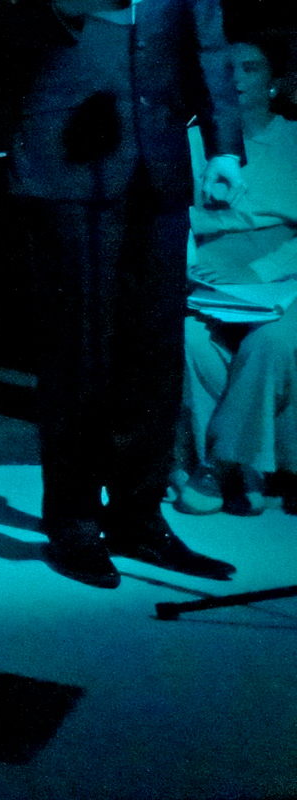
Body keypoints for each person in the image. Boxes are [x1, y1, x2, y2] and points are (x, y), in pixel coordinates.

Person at [3, 0, 242, 590]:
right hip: (68, 159)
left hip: (157, 158)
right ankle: (73, 519)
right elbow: (22, 21)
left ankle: (139, 515)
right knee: (78, 349)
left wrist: (226, 147)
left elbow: (206, 35)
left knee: (152, 349)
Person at [178, 41, 296, 514]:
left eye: (250, 68)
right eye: (227, 69)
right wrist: (193, 267)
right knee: (190, 338)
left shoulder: (293, 140)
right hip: (210, 275)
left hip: (284, 270)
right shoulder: (191, 141)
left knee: (270, 342)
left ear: (274, 82)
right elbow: (177, 219)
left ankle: (220, 464)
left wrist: (260, 269)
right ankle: (248, 469)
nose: (237, 78)